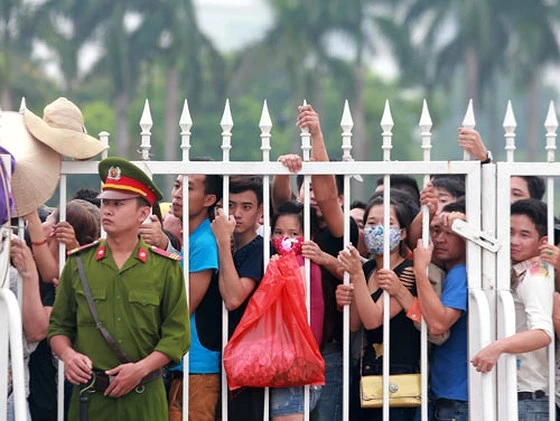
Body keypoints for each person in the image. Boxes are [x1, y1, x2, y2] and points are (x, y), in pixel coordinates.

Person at [47, 157, 190, 421]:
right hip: (91, 399)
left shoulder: (165, 268)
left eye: (118, 204)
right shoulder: (79, 263)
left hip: (144, 399)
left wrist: (140, 369)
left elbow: (177, 337)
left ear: (143, 213)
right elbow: (58, 327)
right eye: (105, 203)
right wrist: (69, 355)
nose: (107, 210)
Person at [272, 104, 360, 421]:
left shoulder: (338, 229)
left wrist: (316, 133)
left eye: (318, 186)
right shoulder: (290, 226)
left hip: (328, 349)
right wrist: (285, 170)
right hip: (288, 347)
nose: (313, 194)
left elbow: (325, 194)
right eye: (305, 185)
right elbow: (281, 202)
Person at [337, 189, 420, 421]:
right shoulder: (366, 269)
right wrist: (348, 293)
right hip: (366, 374)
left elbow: (374, 319)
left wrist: (355, 276)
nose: (378, 228)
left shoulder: (407, 271)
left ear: (402, 232)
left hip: (396, 377)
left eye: (388, 223)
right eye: (371, 223)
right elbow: (354, 324)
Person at [471, 199, 553, 420]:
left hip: (529, 400)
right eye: (510, 232)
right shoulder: (516, 272)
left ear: (542, 241)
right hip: (515, 396)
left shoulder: (535, 276)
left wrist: (498, 347)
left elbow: (543, 333)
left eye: (524, 235)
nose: (514, 241)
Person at [25, 200, 100, 421]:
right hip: (41, 374)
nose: (43, 222)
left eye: (49, 219)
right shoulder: (37, 255)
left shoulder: (75, 270)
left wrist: (71, 249)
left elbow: (51, 274)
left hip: (62, 373)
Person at [166, 163, 223, 421]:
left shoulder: (204, 241)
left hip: (198, 366)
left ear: (210, 199)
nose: (177, 194)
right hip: (181, 363)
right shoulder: (190, 239)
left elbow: (185, 304)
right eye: (177, 185)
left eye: (188, 188)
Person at [210, 175, 265, 420]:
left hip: (250, 361)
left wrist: (222, 241)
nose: (237, 213)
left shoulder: (261, 249)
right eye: (231, 205)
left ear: (260, 211)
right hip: (221, 356)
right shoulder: (234, 248)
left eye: (246, 207)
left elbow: (233, 298)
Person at [413, 199, 469, 421]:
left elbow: (438, 324)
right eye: (435, 231)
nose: (439, 239)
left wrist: (419, 270)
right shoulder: (452, 270)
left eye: (451, 232)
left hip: (456, 397)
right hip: (446, 393)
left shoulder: (460, 273)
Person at [269, 200, 324, 420]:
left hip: (292, 371)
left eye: (294, 233)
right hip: (295, 368)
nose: (285, 239)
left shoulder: (301, 265)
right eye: (278, 232)